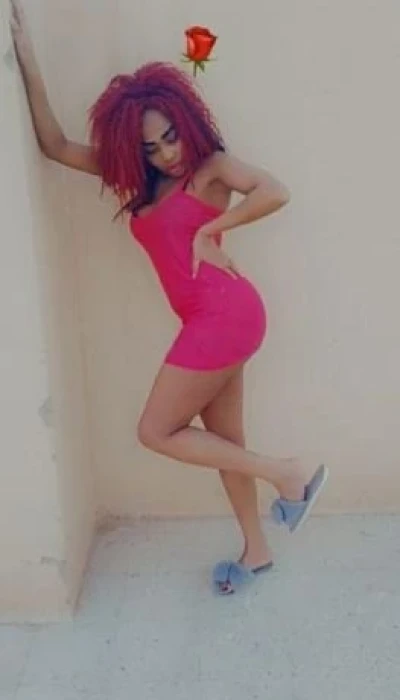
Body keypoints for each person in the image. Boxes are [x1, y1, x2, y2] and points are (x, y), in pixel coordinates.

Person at [10, 0, 328, 595]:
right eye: (151, 147)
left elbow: (274, 190)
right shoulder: (139, 181)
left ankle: (288, 474)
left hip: (224, 313)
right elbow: (54, 145)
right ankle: (257, 550)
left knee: (155, 431)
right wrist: (25, 57)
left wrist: (211, 230)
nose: (165, 153)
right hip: (211, 318)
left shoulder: (211, 169)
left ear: (186, 120)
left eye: (170, 137)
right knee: (225, 445)